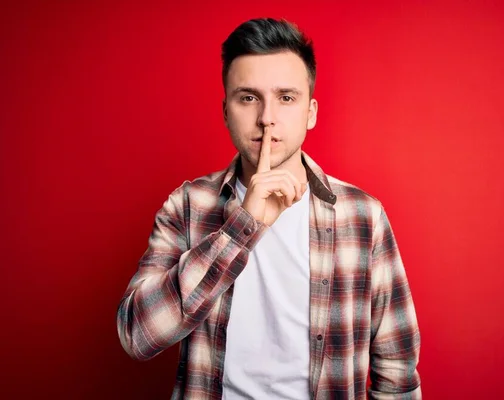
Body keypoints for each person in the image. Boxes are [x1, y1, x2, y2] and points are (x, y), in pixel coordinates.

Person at [117, 17, 421, 400]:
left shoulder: (363, 217)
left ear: (310, 113)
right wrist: (241, 228)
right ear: (226, 111)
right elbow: (136, 335)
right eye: (248, 97)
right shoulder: (188, 206)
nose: (266, 117)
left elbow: (397, 367)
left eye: (286, 97)